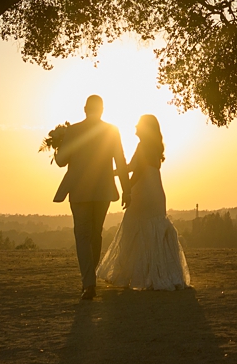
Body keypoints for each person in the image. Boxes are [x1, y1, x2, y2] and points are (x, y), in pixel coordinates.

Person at [97, 114, 191, 291]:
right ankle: (160, 273)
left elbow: (135, 170)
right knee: (153, 230)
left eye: (139, 125)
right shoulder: (154, 147)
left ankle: (133, 275)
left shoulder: (142, 147)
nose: (135, 127)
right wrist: (116, 173)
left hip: (143, 192)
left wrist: (122, 183)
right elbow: (135, 168)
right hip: (156, 192)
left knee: (133, 229)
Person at [51, 94, 127, 300]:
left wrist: (58, 143)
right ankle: (89, 279)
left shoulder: (73, 131)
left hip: (79, 192)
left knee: (83, 237)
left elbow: (60, 161)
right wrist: (126, 189)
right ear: (102, 110)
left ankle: (88, 282)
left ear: (85, 109)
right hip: (102, 190)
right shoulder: (112, 131)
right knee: (95, 235)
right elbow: (120, 161)